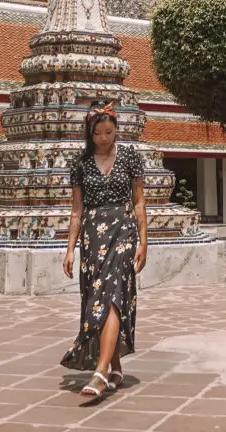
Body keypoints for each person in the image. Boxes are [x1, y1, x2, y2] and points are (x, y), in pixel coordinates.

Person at [60, 102, 148, 397]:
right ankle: (115, 363)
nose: (104, 138)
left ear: (116, 130)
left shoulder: (129, 158)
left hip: (123, 230)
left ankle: (99, 372)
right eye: (98, 133)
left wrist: (144, 241)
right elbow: (76, 210)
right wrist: (70, 249)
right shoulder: (80, 164)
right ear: (90, 134)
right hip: (92, 236)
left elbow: (138, 203)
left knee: (112, 295)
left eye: (109, 131)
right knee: (95, 298)